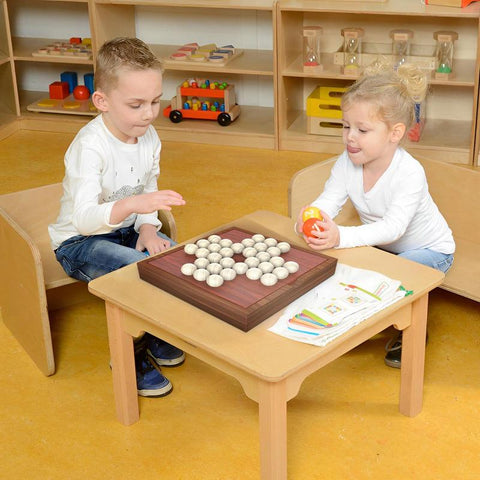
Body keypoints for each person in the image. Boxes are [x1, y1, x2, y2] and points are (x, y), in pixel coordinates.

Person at [49, 37, 186, 397]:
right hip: (81, 242)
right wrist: (134, 207)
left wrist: (147, 227)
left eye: (155, 101)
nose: (148, 113)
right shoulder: (89, 146)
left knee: (174, 263)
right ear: (102, 101)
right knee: (136, 276)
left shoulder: (148, 135)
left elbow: (147, 184)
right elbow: (83, 219)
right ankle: (130, 356)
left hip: (126, 231)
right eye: (136, 104)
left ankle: (156, 335)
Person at [295, 62, 455, 368]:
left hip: (430, 251)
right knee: (345, 270)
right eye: (346, 126)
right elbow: (330, 199)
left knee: (393, 278)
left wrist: (340, 236)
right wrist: (312, 218)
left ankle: (413, 331)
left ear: (395, 133)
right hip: (383, 248)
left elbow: (394, 228)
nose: (350, 137)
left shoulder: (409, 172)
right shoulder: (348, 161)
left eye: (362, 130)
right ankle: (355, 319)